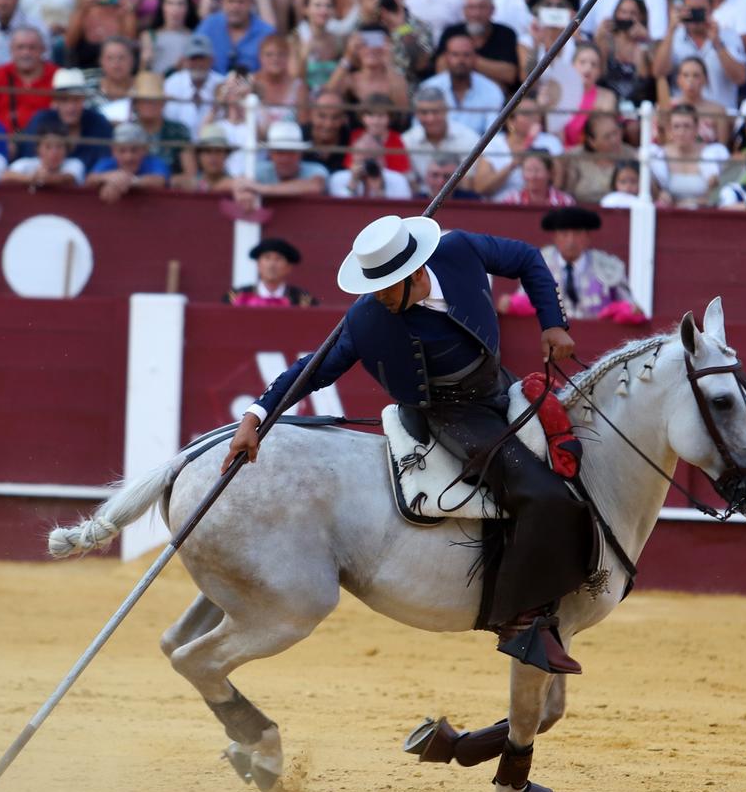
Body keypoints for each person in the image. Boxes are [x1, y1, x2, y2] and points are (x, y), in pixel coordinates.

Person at [226, 214, 586, 674]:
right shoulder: (367, 318)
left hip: (499, 386)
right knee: (542, 493)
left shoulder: (459, 250)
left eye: (384, 288)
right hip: (449, 413)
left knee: (574, 454)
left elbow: (527, 258)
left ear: (415, 274)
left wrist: (552, 323)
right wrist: (256, 416)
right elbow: (312, 369)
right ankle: (521, 620)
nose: (375, 297)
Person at [535, 207, 634, 322]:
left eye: (577, 233)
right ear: (555, 237)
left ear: (588, 237)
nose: (571, 241)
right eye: (564, 233)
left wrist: (631, 310)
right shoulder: (539, 266)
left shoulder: (608, 268)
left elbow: (629, 307)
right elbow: (523, 302)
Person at [227, 237, 318, 306]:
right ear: (258, 264)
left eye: (278, 259)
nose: (272, 265)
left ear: (289, 267)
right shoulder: (236, 296)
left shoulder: (302, 300)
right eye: (267, 258)